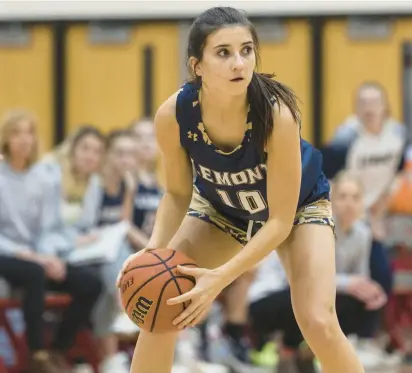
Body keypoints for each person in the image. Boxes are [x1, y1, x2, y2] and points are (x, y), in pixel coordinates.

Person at [117, 7, 364, 373]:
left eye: (246, 50)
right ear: (197, 65)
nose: (239, 63)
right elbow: (178, 194)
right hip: (224, 209)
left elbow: (279, 222)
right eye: (224, 52)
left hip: (298, 209)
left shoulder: (276, 115)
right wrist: (153, 251)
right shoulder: (173, 115)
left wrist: (221, 277)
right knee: (164, 302)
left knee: (317, 321)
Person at [0, 110, 102, 373]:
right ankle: (37, 355)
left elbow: (50, 227)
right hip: (8, 254)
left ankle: (58, 349)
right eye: (17, 132)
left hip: (38, 256)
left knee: (90, 283)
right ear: (5, 138)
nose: (24, 139)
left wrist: (50, 257)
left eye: (29, 132)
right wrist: (32, 257)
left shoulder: (45, 177)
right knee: (34, 272)